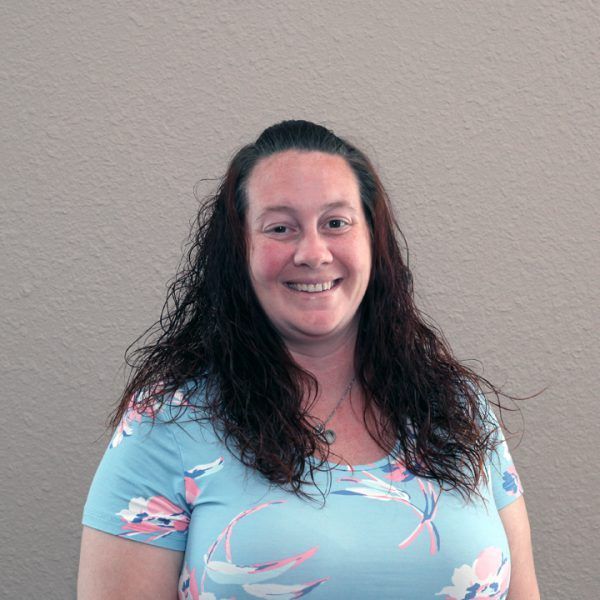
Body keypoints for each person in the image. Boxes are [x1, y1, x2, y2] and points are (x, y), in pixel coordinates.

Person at [78, 120, 539, 599]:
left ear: (373, 242)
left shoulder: (457, 409)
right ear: (240, 251)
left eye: (336, 223)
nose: (313, 253)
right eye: (280, 228)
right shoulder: (167, 422)